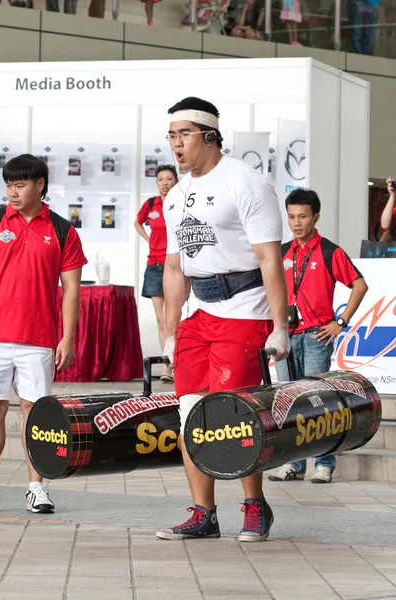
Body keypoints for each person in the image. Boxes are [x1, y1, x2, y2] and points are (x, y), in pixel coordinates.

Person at [156, 96, 290, 542]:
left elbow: (270, 259)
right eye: (171, 135)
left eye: (185, 134)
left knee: (236, 413)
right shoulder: (175, 196)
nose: (176, 144)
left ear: (210, 136)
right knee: (192, 415)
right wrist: (169, 333)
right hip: (200, 311)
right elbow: (175, 269)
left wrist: (280, 325)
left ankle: (254, 506)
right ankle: (203, 513)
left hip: (244, 307)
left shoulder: (247, 183)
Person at [0, 154, 87, 513]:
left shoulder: (63, 230)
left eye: (19, 185)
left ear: (40, 185)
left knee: (35, 418)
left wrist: (66, 338)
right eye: (8, 185)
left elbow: (72, 290)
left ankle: (36, 487)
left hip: (38, 340)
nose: (12, 193)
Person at [268, 188, 368, 484]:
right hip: (286, 335)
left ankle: (324, 463)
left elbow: (359, 285)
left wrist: (340, 321)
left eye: (302, 216)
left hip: (316, 336)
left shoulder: (328, 250)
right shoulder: (282, 252)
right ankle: (294, 465)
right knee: (290, 400)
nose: (296, 223)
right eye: (291, 217)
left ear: (316, 217)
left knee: (318, 401)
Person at [135, 165, 178, 383]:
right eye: (161, 179)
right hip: (154, 266)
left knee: (176, 319)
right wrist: (148, 238)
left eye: (169, 178)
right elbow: (137, 222)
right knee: (161, 321)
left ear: (176, 181)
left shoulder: (182, 201)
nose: (165, 183)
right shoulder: (151, 204)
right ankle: (168, 367)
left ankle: (180, 363)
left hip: (177, 266)